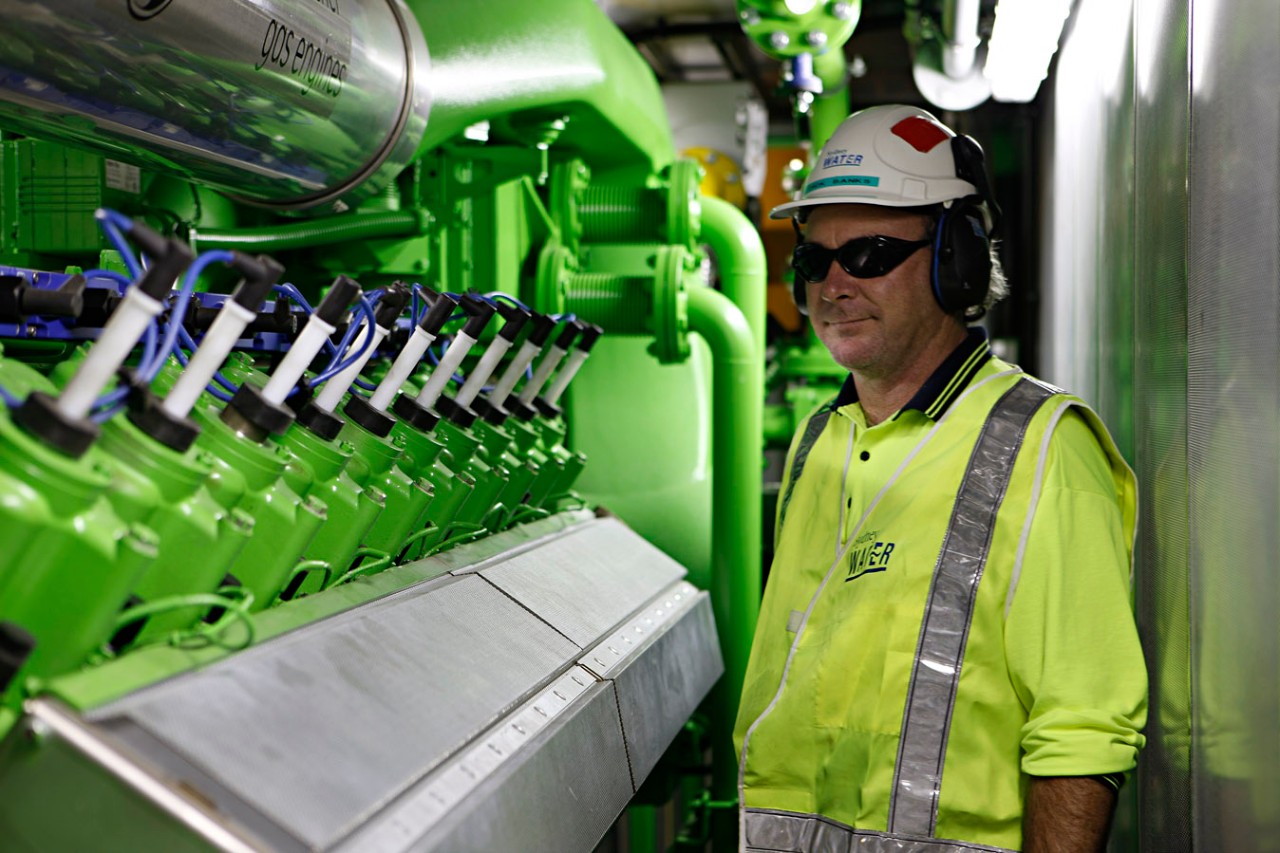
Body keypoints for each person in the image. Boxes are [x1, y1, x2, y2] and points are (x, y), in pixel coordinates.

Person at [733, 104, 1148, 853]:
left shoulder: (1044, 446)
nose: (833, 283)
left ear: (952, 258)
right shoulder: (816, 442)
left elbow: (1082, 734)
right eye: (814, 259)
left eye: (868, 253)